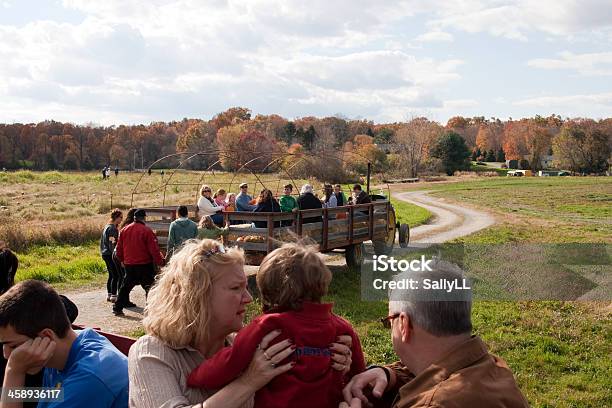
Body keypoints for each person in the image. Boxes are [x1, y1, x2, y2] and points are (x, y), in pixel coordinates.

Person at [188, 243, 365, 408]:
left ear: (270, 290)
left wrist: (197, 376)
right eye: (235, 288)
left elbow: (230, 361)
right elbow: (360, 375)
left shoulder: (268, 325)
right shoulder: (342, 327)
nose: (249, 298)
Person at [340, 260, 529, 408]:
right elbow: (437, 374)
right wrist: (390, 375)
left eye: (390, 321)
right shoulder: (492, 368)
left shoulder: (433, 404)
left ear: (404, 324)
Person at [128, 239, 293, 408]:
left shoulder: (244, 347)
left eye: (246, 288)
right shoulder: (151, 352)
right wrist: (248, 382)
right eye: (236, 288)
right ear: (198, 296)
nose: (249, 299)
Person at [0, 280, 128, 408]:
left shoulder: (89, 377)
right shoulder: (69, 346)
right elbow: (53, 395)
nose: (7, 355)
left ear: (46, 336)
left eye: (13, 346)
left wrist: (14, 371)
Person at [113, 209, 164, 316]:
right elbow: (153, 250)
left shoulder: (124, 230)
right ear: (144, 218)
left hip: (129, 264)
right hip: (144, 264)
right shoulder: (146, 231)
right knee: (149, 287)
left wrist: (122, 260)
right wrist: (161, 262)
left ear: (134, 218)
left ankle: (117, 308)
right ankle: (151, 309)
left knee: (125, 287)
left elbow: (118, 249)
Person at [100, 209, 123, 303]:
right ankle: (114, 295)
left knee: (111, 274)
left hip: (105, 253)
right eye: (120, 217)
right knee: (116, 275)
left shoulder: (106, 226)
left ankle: (109, 294)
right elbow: (111, 243)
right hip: (110, 254)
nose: (121, 219)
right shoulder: (112, 229)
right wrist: (116, 254)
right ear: (116, 217)